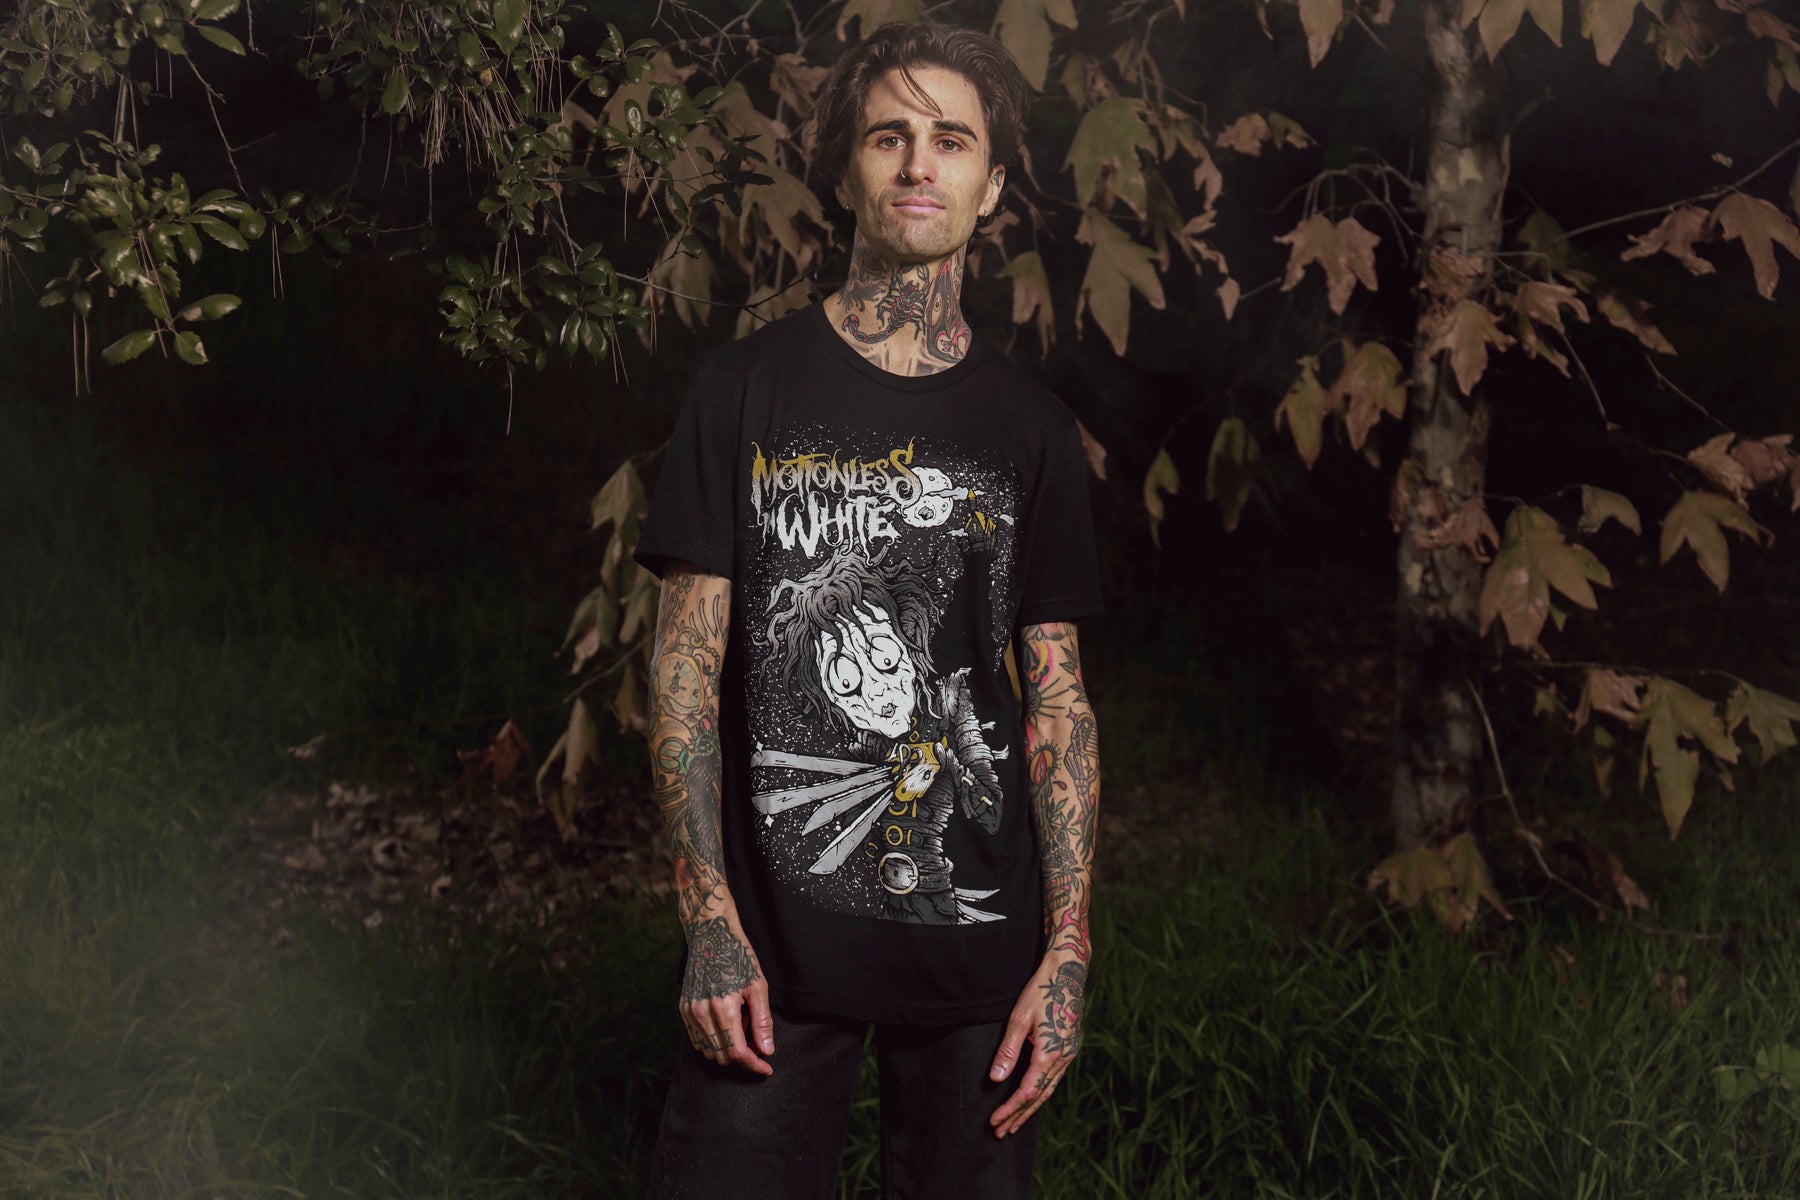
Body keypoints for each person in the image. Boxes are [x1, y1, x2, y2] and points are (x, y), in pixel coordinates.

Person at [635, 21, 1103, 1198]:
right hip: (769, 960)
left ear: (992, 187)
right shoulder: (743, 391)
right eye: (889, 137)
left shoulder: (1032, 431)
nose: (918, 163)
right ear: (845, 170)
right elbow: (684, 675)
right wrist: (707, 916)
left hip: (981, 961)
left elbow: (1057, 701)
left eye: (952, 140)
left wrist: (1068, 948)